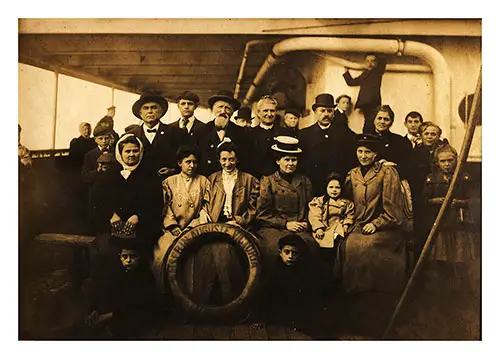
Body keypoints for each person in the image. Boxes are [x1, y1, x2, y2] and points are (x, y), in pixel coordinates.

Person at [341, 133, 408, 336]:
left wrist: (376, 224)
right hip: (358, 226)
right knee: (348, 245)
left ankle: (376, 313)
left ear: (376, 153)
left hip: (386, 228)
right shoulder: (352, 174)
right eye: (360, 151)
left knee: (367, 249)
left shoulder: (387, 173)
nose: (363, 155)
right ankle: (353, 310)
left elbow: (394, 212)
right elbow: (346, 203)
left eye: (368, 152)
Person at [153, 145, 211, 293]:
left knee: (195, 256)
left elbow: (205, 208)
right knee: (162, 254)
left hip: (195, 228)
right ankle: (164, 294)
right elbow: (166, 208)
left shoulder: (204, 181)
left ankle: (190, 296)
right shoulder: (169, 182)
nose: (192, 165)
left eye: (195, 162)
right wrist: (172, 226)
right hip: (172, 229)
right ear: (180, 163)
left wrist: (192, 227)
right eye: (188, 162)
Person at [255, 136, 318, 272]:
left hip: (299, 227)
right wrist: (285, 224)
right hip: (274, 228)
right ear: (278, 161)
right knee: (273, 250)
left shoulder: (304, 181)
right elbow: (262, 214)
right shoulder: (268, 181)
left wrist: (307, 222)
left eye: (293, 160)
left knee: (309, 246)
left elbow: (312, 208)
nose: (290, 164)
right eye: (286, 160)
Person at [94, 134, 164, 250]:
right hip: (112, 227)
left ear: (140, 152)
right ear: (120, 153)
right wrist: (111, 215)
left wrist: (138, 217)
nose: (132, 154)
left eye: (135, 151)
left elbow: (156, 204)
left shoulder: (150, 175)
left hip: (141, 229)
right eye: (127, 151)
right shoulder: (108, 175)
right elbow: (97, 200)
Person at [85, 235, 160, 339]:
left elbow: (136, 307)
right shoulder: (118, 274)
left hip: (137, 319)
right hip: (117, 315)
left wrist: (105, 316)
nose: (128, 260)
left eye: (133, 256)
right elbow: (109, 295)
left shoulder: (145, 277)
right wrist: (97, 310)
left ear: (140, 257)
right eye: (125, 257)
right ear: (120, 257)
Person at [298, 93, 357, 196]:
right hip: (312, 187)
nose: (326, 114)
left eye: (329, 111)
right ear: (315, 112)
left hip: (337, 188)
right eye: (322, 111)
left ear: (333, 113)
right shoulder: (304, 135)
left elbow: (352, 157)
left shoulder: (345, 133)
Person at [259, 234, 319, 330]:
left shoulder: (305, 270)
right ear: (280, 253)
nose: (290, 256)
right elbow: (265, 296)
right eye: (287, 252)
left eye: (295, 253)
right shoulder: (273, 270)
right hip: (279, 311)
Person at [308, 172, 355, 282]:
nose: (334, 190)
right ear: (326, 188)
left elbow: (350, 215)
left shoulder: (346, 203)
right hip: (324, 229)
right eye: (331, 187)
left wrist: (346, 224)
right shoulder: (319, 201)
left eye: (337, 187)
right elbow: (314, 215)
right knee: (321, 251)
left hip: (339, 228)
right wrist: (318, 228)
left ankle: (338, 275)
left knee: (341, 249)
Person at [208, 140, 260, 229]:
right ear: (219, 160)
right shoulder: (212, 179)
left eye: (231, 159)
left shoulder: (250, 180)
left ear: (237, 160)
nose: (227, 164)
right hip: (216, 224)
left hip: (240, 225)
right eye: (224, 160)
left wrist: (239, 221)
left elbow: (253, 208)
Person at [199, 90, 251, 176]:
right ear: (213, 109)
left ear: (232, 112)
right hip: (207, 178)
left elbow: (245, 159)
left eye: (227, 108)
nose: (223, 111)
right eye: (220, 107)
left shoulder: (241, 132)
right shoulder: (202, 130)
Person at [127, 94, 177, 177]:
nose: (150, 111)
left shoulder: (175, 133)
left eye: (154, 107)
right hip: (138, 183)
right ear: (140, 113)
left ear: (161, 111)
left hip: (167, 183)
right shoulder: (131, 135)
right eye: (146, 108)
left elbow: (183, 158)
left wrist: (173, 170)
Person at [343, 53, 387, 134]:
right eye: (367, 61)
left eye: (372, 61)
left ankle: (366, 137)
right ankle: (366, 137)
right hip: (366, 103)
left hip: (373, 102)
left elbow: (383, 62)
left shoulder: (377, 72)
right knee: (369, 122)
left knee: (371, 122)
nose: (370, 63)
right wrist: (346, 72)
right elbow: (352, 82)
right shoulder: (365, 73)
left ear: (377, 63)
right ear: (365, 63)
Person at [372, 105, 413, 180]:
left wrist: (393, 167)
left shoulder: (401, 141)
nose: (382, 122)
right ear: (374, 120)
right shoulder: (365, 140)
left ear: (391, 122)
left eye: (386, 119)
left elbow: (407, 167)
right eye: (379, 118)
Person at [248, 95, 282, 178]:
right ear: (258, 113)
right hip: (256, 180)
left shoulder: (284, 132)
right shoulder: (250, 134)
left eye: (272, 111)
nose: (269, 114)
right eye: (265, 111)